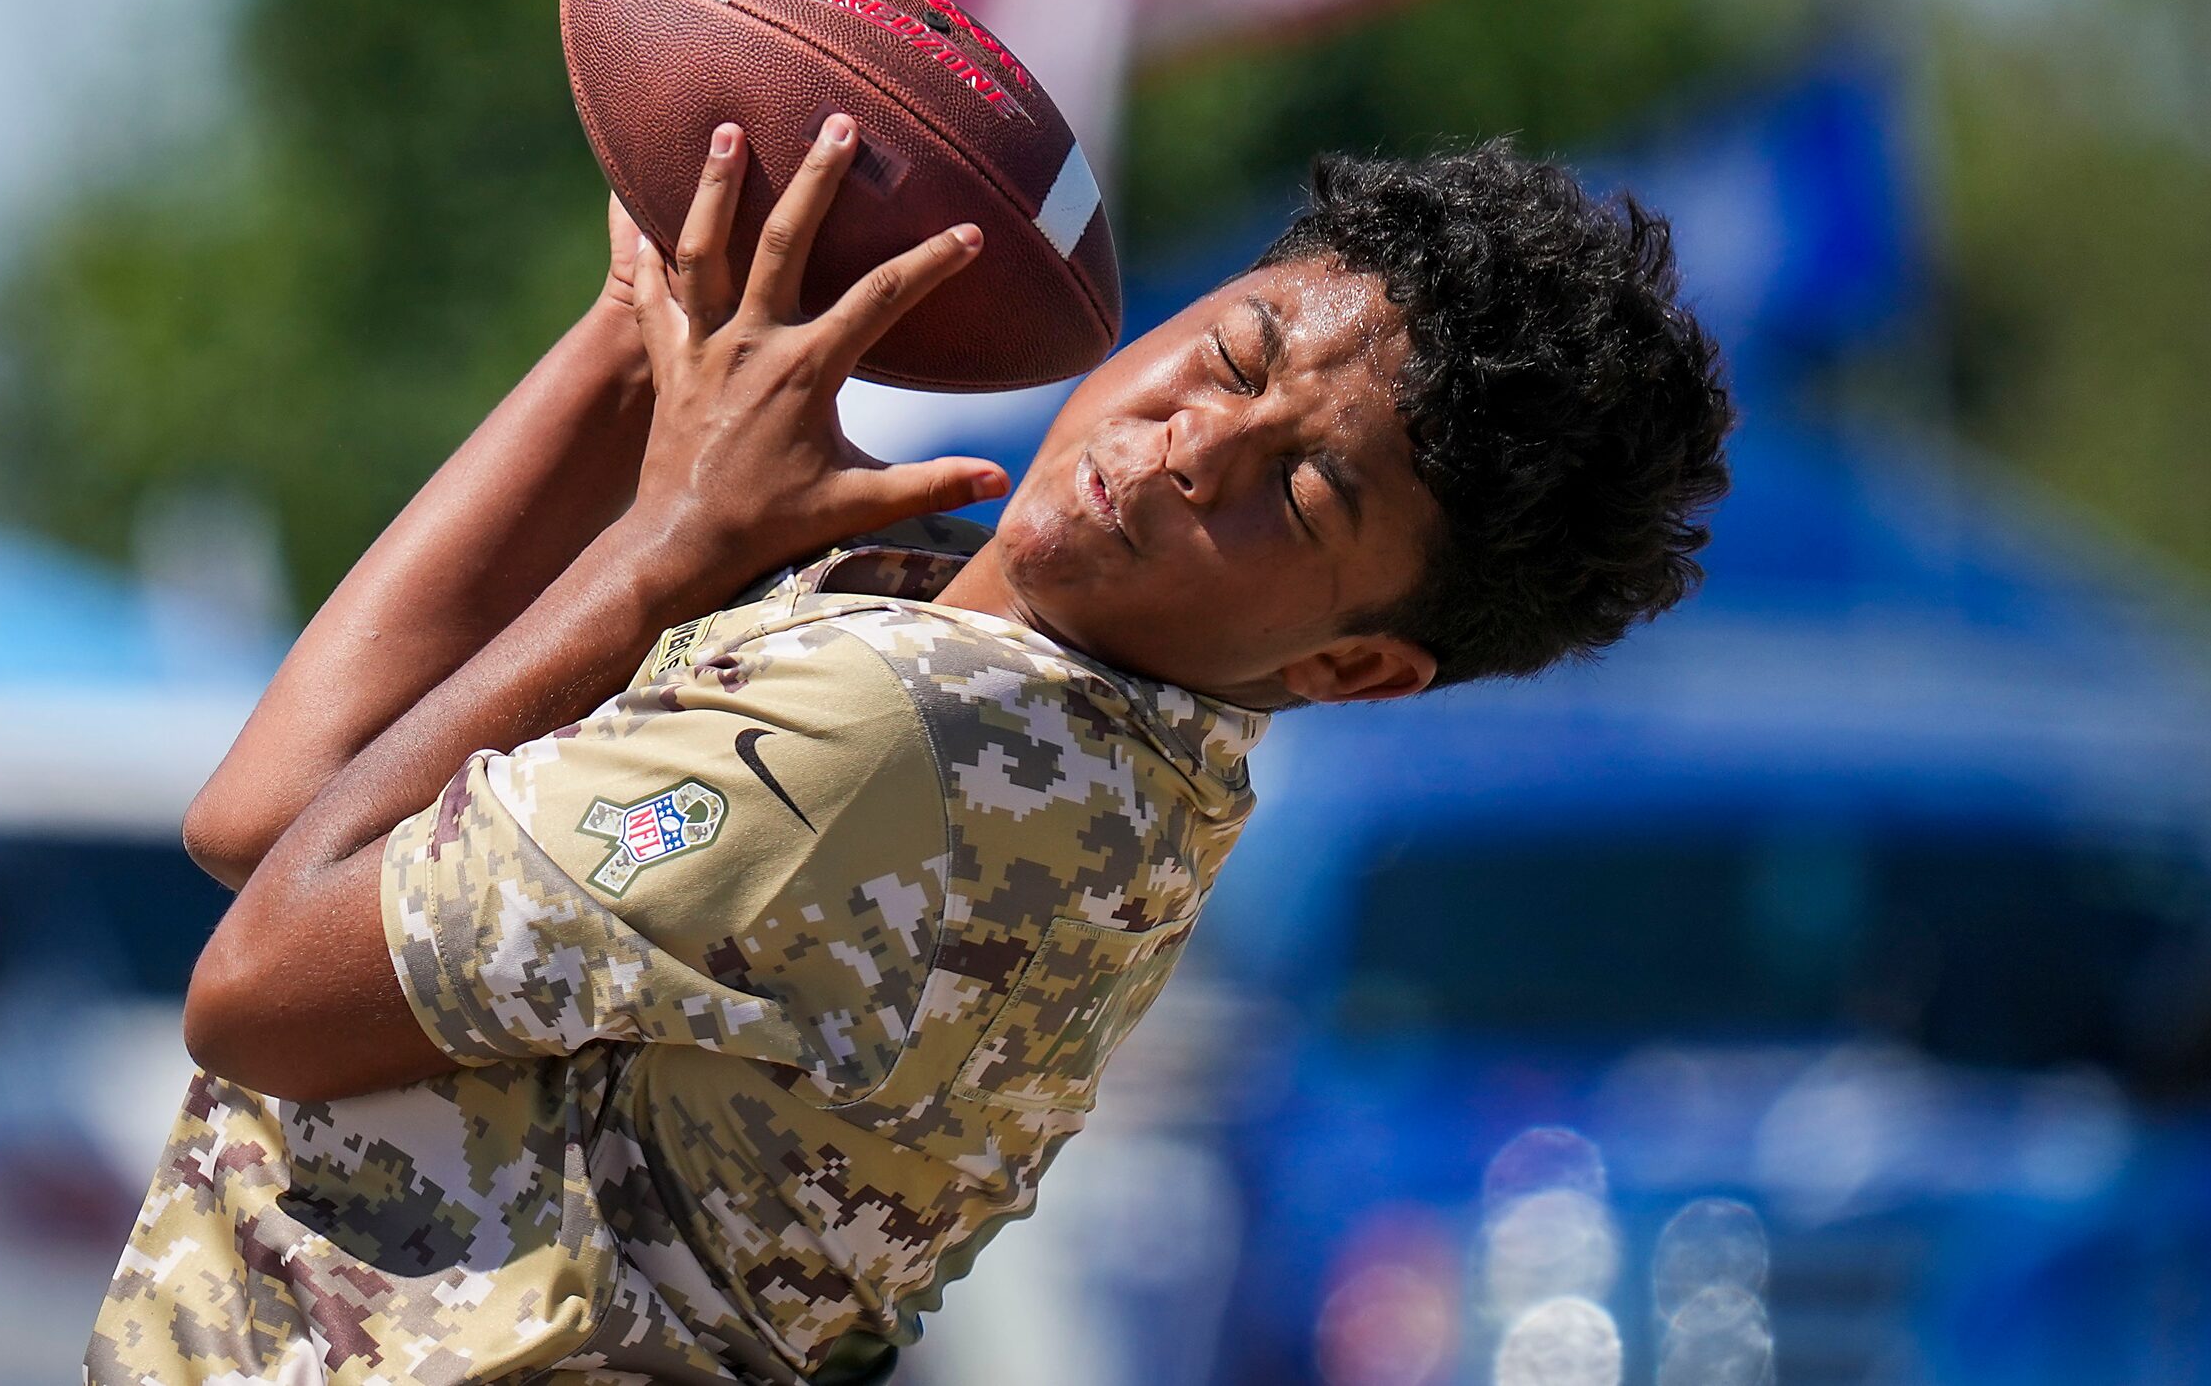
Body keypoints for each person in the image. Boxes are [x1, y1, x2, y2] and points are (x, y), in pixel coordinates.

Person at [85, 119, 1732, 1386]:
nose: (1190, 450)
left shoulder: (901, 740)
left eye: (1300, 496)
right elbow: (268, 817)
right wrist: (635, 324)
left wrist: (661, 546)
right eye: (1230, 358)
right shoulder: (1037, 705)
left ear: (1349, 661)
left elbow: (256, 981)